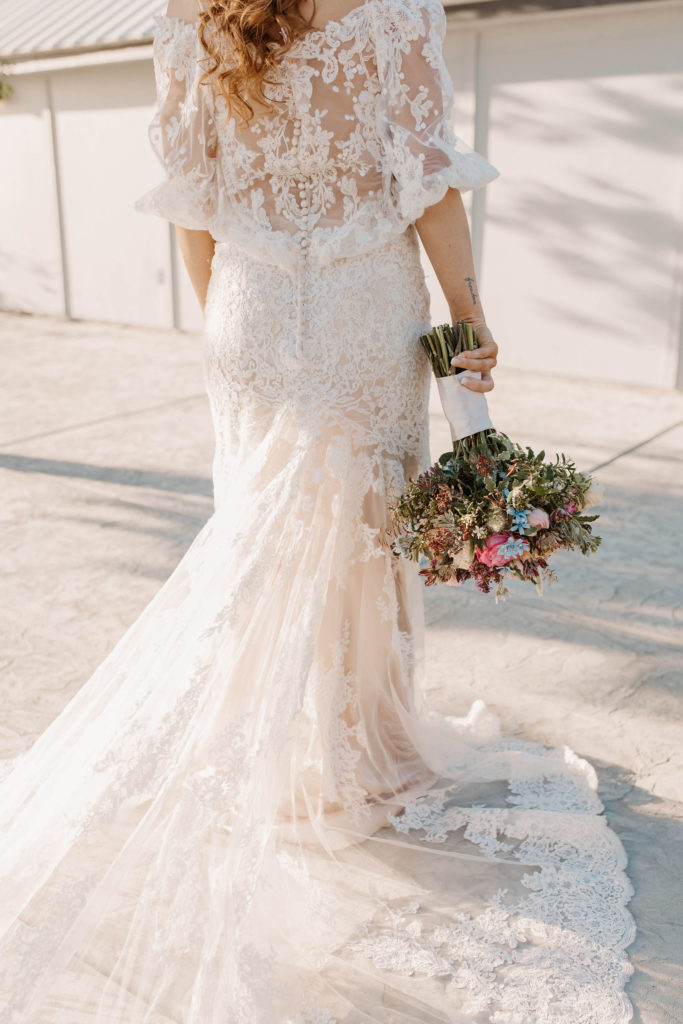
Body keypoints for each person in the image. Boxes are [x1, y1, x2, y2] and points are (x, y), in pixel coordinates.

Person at [0, 0, 635, 1020]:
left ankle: (296, 749)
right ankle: (349, 757)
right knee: (355, 541)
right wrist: (468, 314)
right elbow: (426, 184)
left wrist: (227, 331)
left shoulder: (190, 18)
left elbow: (193, 210)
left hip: (246, 314)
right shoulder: (396, 14)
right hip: (358, 305)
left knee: (259, 533)